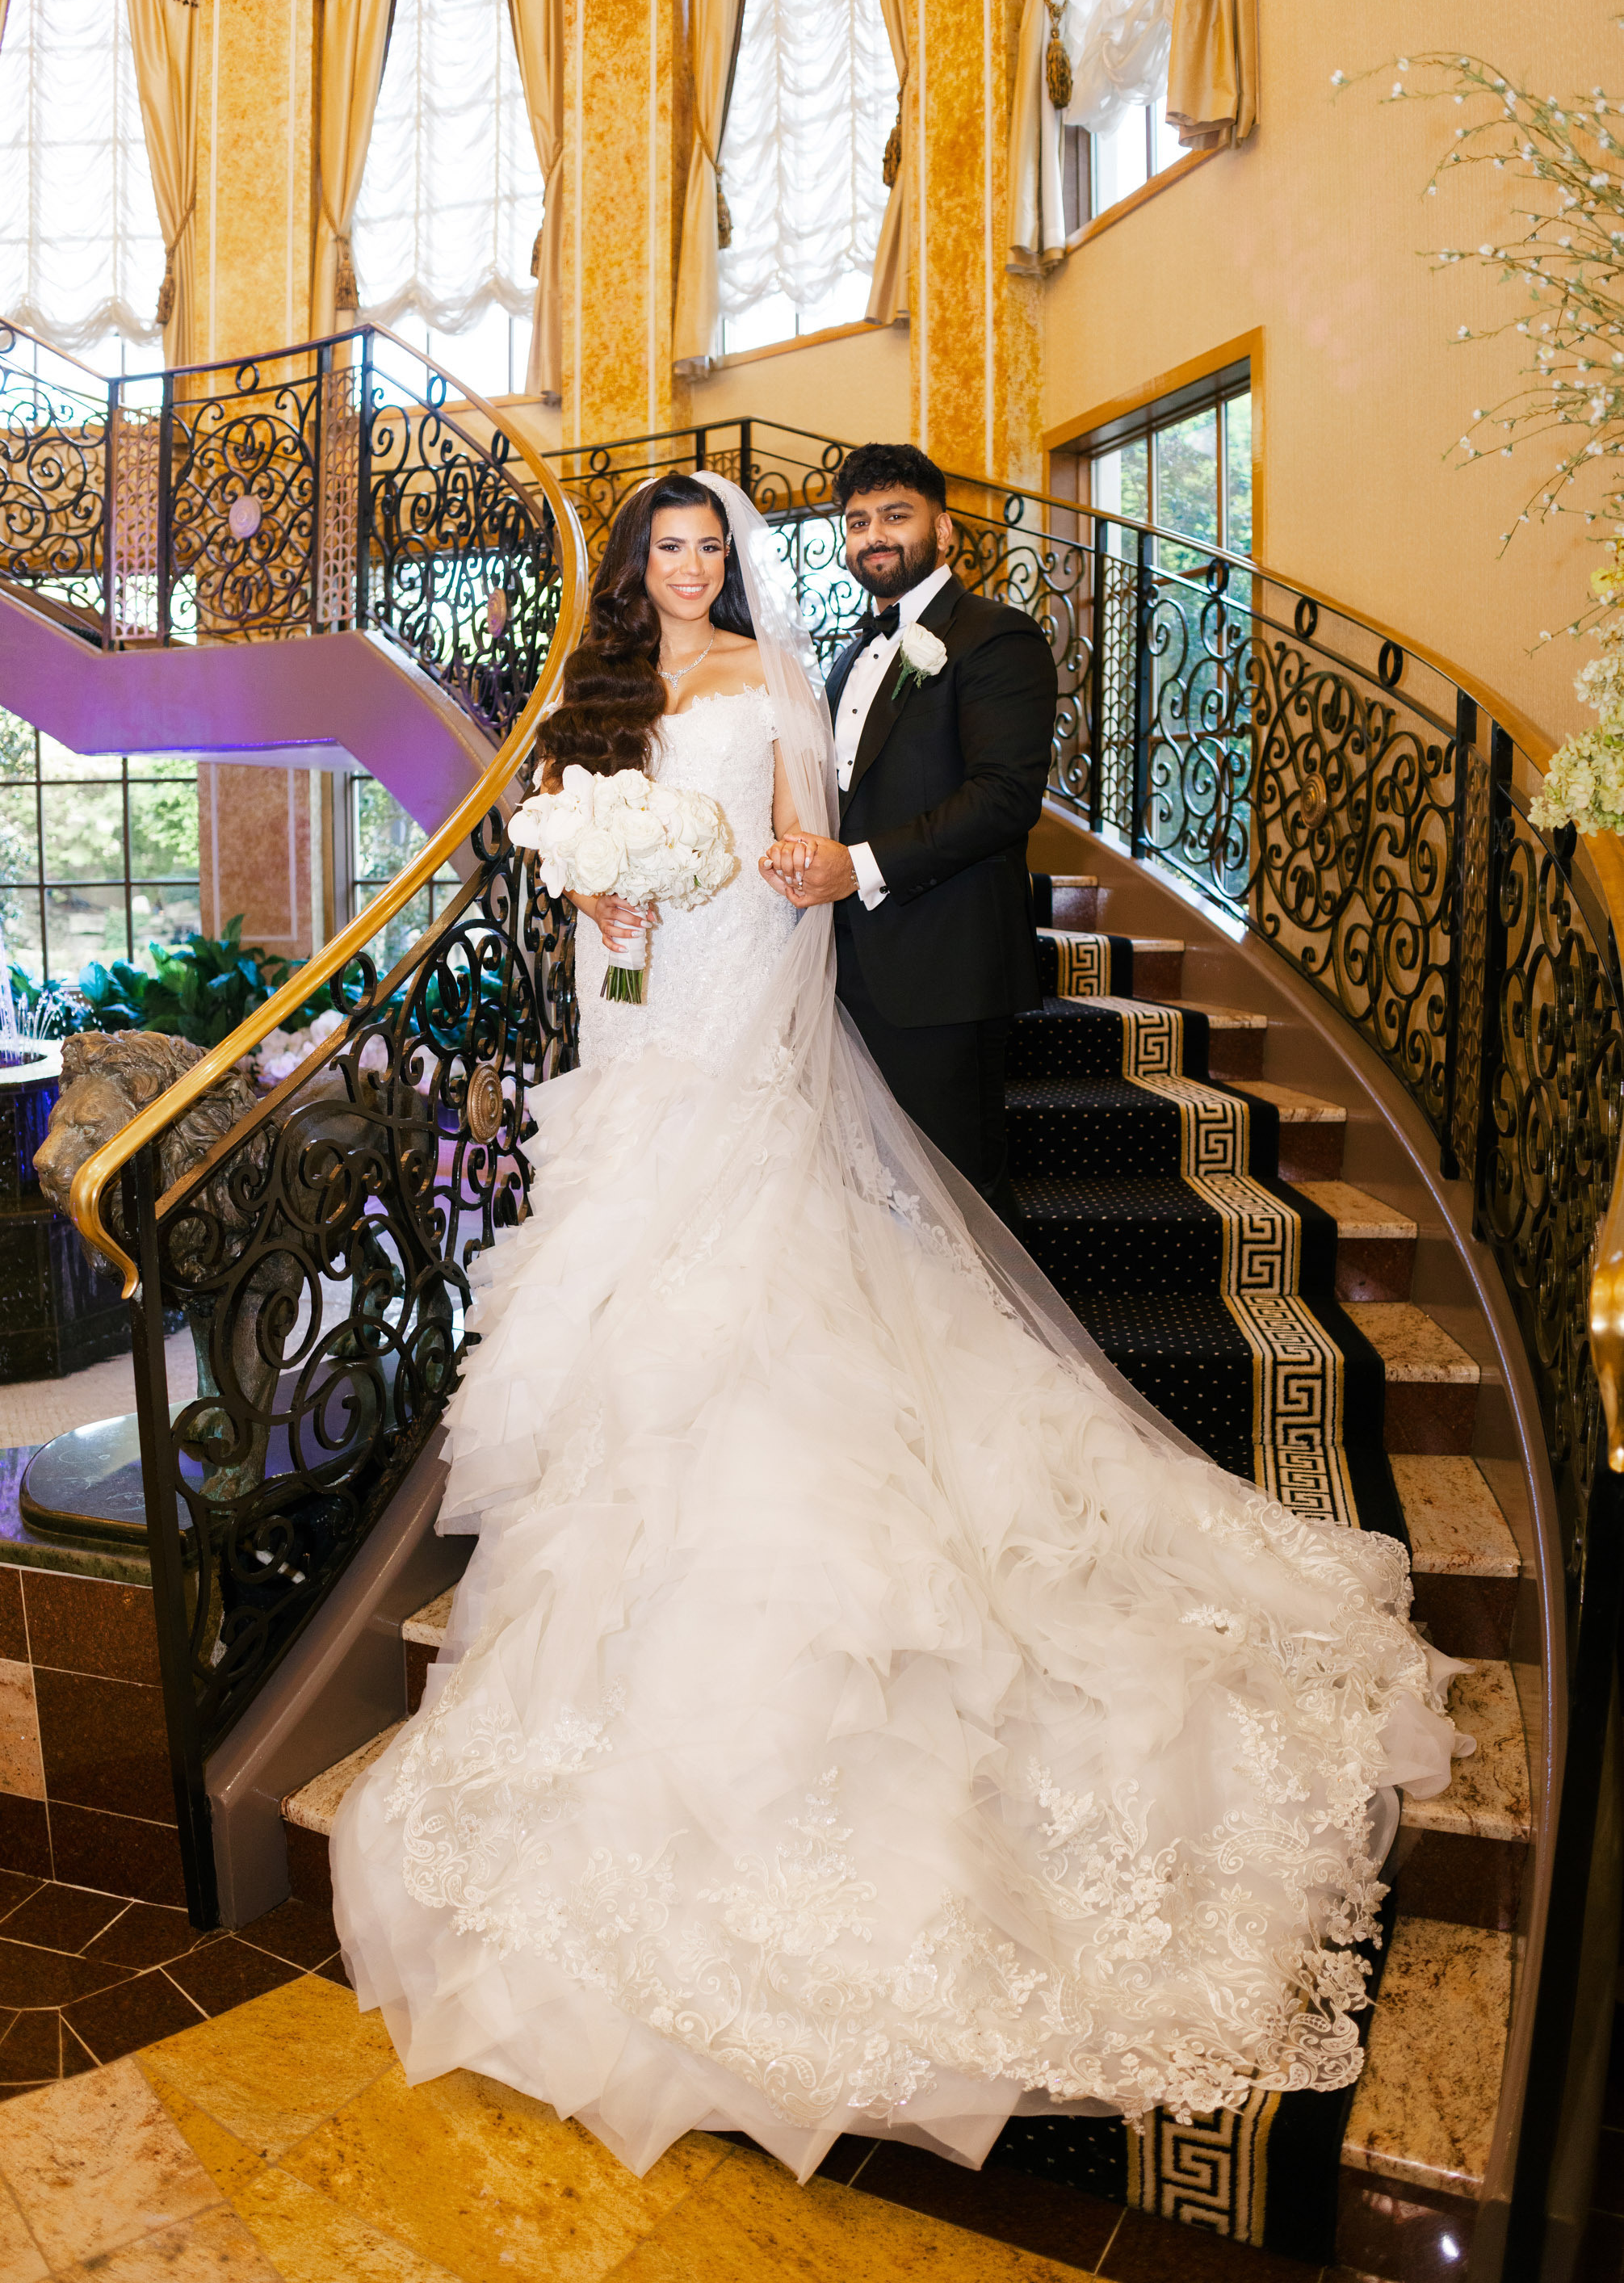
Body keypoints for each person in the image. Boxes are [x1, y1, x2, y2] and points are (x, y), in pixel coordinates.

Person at [331, 469, 1466, 2189]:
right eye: (668, 548)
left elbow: (806, 864)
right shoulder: (603, 693)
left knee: (745, 1292)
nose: (691, 567)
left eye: (712, 547)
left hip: (734, 1025)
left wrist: (750, 963)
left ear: (738, 564)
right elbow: (566, 846)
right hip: (630, 1016)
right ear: (636, 568)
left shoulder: (784, 689)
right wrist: (606, 898)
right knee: (618, 1300)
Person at [760, 443, 1055, 1219]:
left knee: (955, 1209)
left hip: (945, 968)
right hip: (846, 966)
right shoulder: (850, 654)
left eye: (895, 515)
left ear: (945, 529)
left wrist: (855, 866)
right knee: (865, 1203)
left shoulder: (997, 637)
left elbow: (1002, 799)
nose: (873, 536)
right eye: (857, 522)